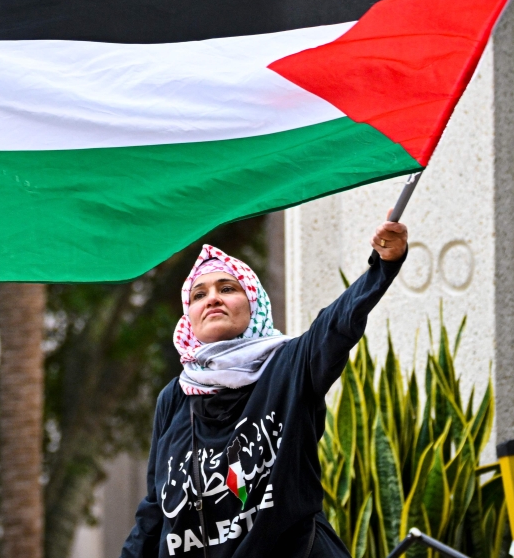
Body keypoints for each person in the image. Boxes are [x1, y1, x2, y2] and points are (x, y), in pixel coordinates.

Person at [120, 217, 409, 558]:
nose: (212, 298)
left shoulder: (289, 365)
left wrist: (384, 265)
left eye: (227, 288)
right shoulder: (175, 397)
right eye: (199, 294)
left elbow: (336, 325)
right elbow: (155, 509)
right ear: (189, 316)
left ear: (253, 302)